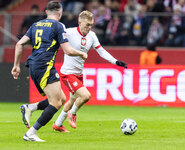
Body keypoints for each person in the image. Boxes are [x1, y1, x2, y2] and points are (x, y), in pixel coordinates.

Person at [20, 10, 127, 133]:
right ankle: (72, 113)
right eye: (87, 25)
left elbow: (101, 51)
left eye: (91, 25)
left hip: (79, 74)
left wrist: (115, 61)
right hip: (67, 73)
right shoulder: (69, 32)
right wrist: (28, 39)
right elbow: (49, 34)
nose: (89, 28)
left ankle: (58, 124)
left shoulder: (92, 35)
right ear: (79, 22)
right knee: (86, 96)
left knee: (71, 100)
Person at [11, 1, 87, 142]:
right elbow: (68, 51)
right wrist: (82, 54)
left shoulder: (36, 25)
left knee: (63, 99)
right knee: (56, 103)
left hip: (34, 65)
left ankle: (30, 108)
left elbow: (19, 43)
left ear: (46, 12)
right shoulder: (58, 26)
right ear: (60, 13)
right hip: (44, 66)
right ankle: (31, 133)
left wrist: (16, 66)